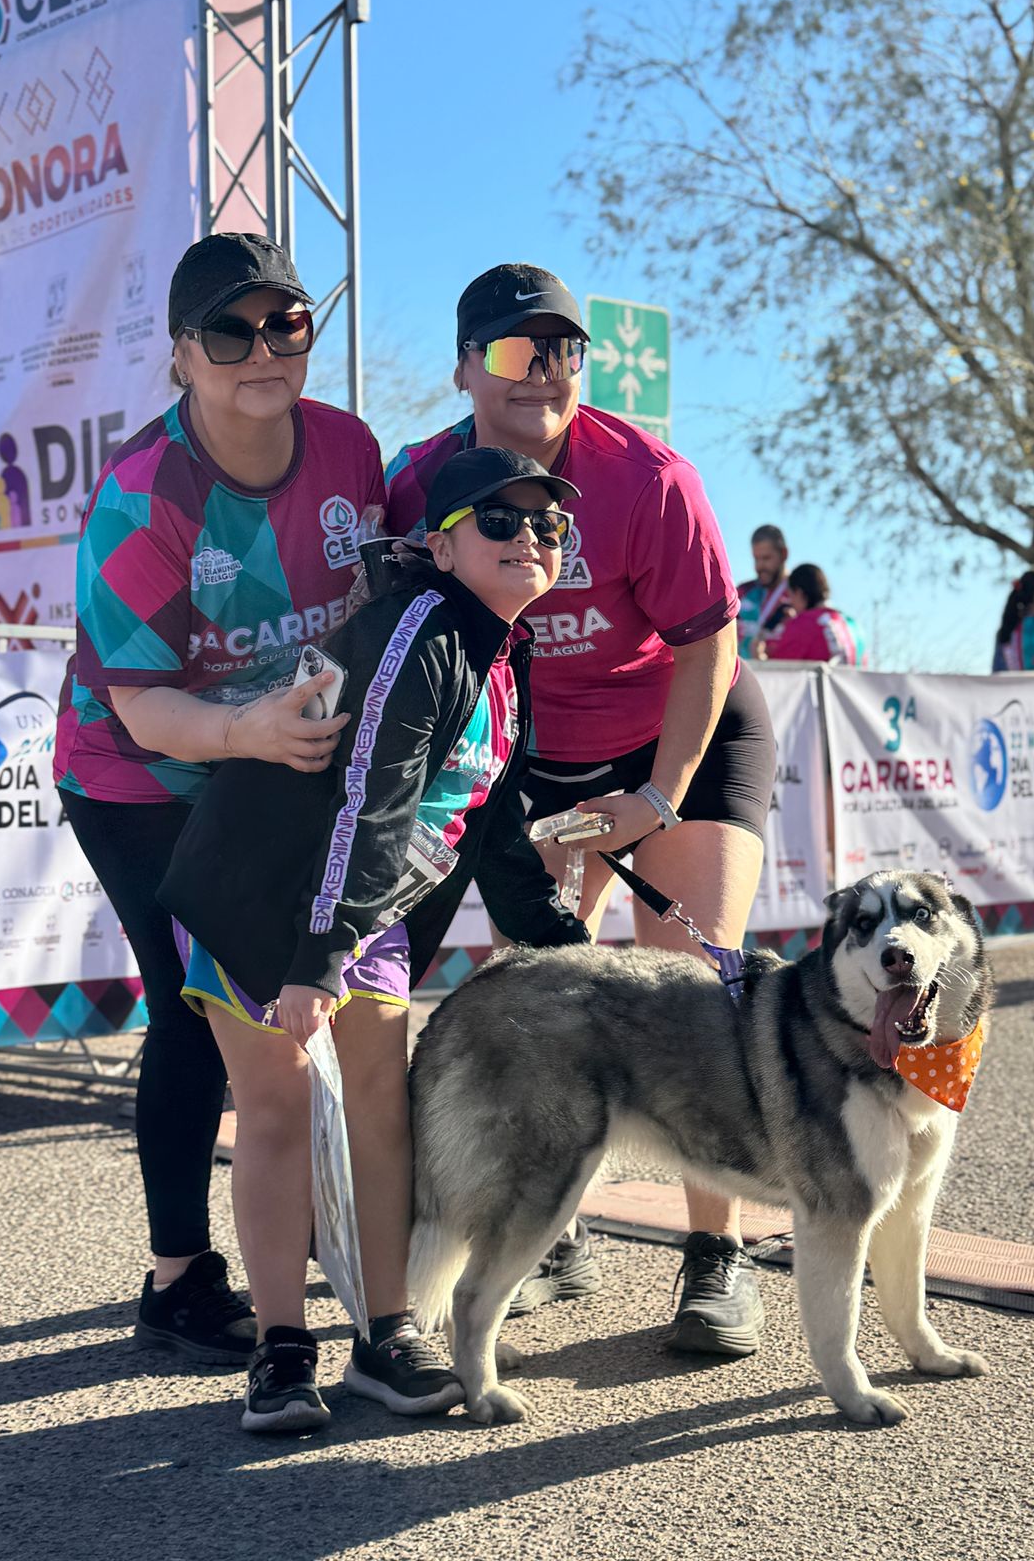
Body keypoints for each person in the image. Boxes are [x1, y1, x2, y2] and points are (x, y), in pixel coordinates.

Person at [386, 263, 777, 1358]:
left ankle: (717, 1259)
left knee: (692, 983)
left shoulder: (646, 478)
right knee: (549, 994)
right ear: (466, 367)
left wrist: (655, 795)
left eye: (564, 350)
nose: (543, 372)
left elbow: (709, 647)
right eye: (515, 351)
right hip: (537, 758)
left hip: (682, 741)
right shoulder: (420, 481)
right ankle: (555, 1235)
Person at [159, 447, 590, 1432]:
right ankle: (280, 1351)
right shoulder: (424, 627)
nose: (532, 537)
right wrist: (315, 957)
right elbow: (370, 795)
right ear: (440, 544)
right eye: (501, 520)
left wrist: (559, 940)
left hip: (360, 908)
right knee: (273, 1111)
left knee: (380, 1110)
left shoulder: (501, 656)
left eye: (550, 526)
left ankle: (384, 1336)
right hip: (267, 892)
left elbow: (488, 820)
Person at [53, 232, 385, 1366]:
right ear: (182, 355)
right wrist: (249, 729)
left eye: (283, 322)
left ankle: (343, 1250)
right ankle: (177, 1274)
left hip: (263, 758)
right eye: (229, 330)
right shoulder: (142, 496)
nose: (262, 349)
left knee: (295, 1001)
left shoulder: (349, 451)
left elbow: (362, 613)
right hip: (137, 773)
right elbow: (143, 707)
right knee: (194, 996)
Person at [758, 562, 866, 665]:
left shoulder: (802, 624)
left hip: (820, 684)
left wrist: (759, 654)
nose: (790, 603)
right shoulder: (854, 625)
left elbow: (777, 673)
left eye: (790, 596)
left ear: (799, 593)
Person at [735, 523, 789, 658]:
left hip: (779, 676)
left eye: (766, 558)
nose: (760, 566)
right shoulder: (743, 592)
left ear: (783, 554)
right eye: (756, 559)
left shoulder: (799, 596)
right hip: (742, 675)